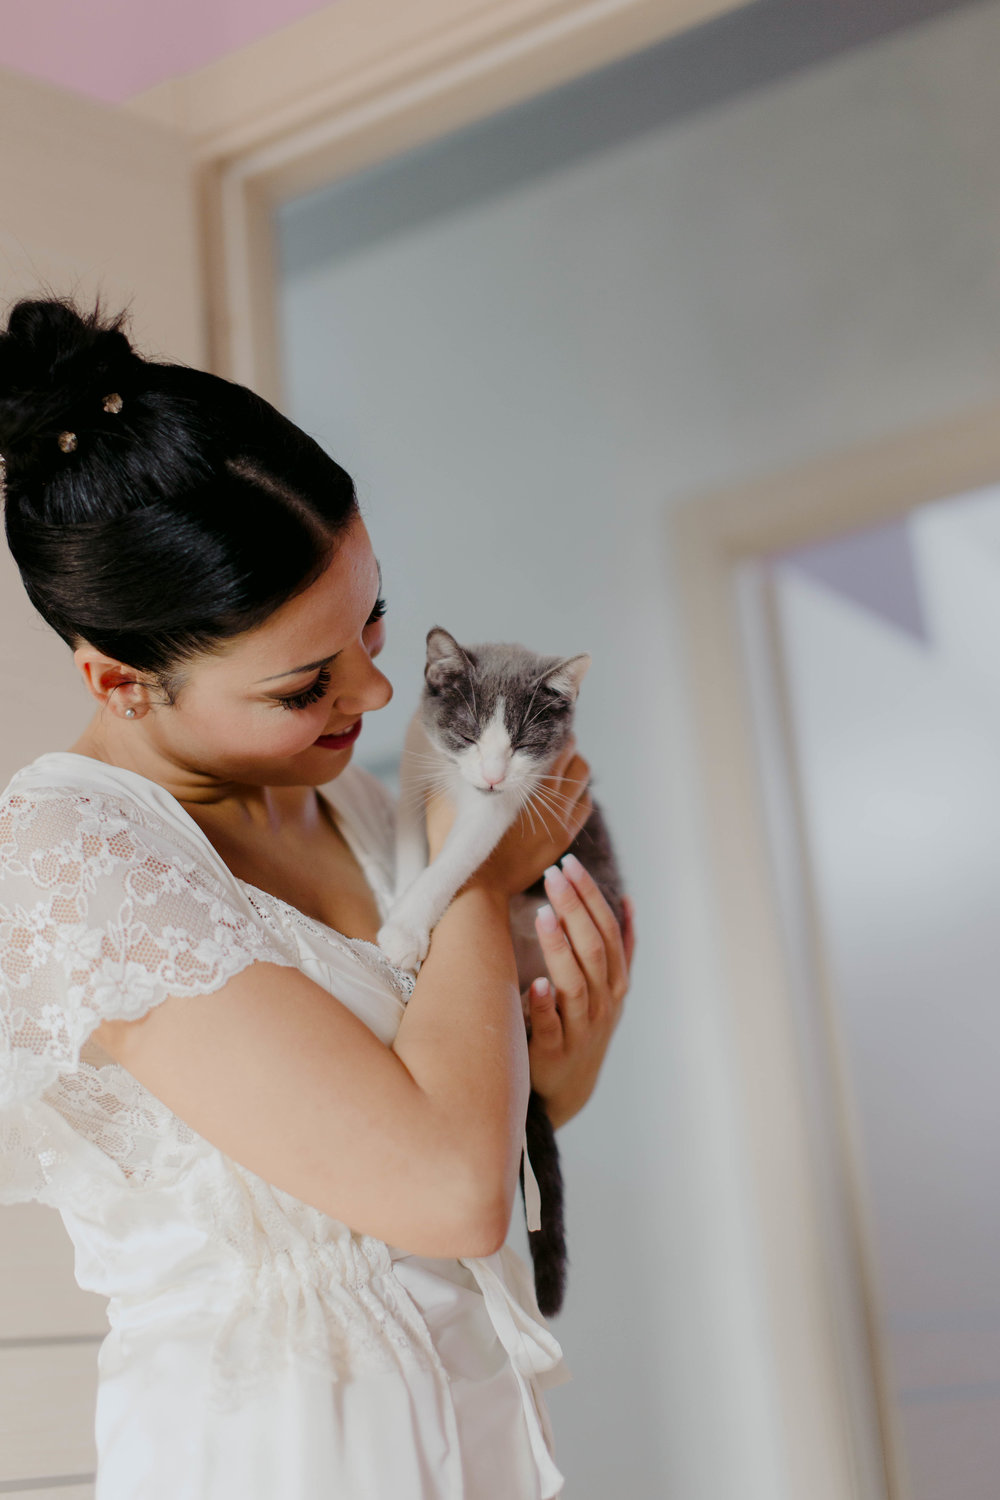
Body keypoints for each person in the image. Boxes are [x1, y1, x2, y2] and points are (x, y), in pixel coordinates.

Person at [0, 296, 633, 1500]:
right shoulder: (73, 858)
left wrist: (562, 1077)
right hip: (285, 1447)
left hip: (468, 1418)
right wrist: (477, 869)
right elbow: (445, 1189)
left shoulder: (347, 805)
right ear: (117, 680)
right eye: (307, 683)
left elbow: (454, 1128)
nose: (380, 692)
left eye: (374, 620)